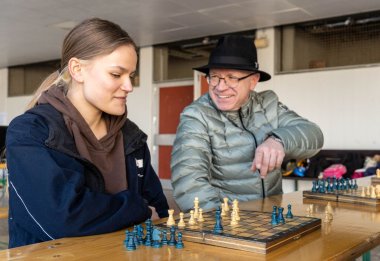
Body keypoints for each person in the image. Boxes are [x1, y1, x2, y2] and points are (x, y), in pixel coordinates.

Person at [6, 18, 169, 248]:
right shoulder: (31, 132)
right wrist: (137, 209)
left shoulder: (132, 137)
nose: (129, 86)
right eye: (116, 74)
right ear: (77, 70)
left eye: (130, 75)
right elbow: (63, 218)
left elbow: (159, 212)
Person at [171, 35, 324, 212]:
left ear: (253, 80)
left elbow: (314, 134)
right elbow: (189, 182)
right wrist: (220, 226)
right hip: (229, 223)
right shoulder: (196, 116)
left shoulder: (268, 105)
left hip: (271, 217)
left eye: (231, 77)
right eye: (214, 77)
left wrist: (279, 140)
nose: (220, 87)